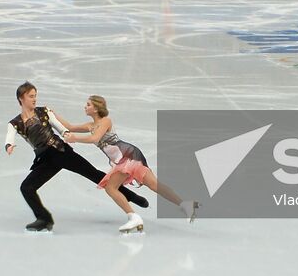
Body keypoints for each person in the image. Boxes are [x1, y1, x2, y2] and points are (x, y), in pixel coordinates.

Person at [4, 82, 149, 232]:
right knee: (27, 187)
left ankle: (132, 196)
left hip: (61, 152)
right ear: (21, 98)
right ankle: (44, 219)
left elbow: (60, 127)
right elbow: (9, 137)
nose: (35, 99)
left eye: (35, 96)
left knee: (94, 174)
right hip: (45, 159)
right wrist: (9, 145)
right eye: (31, 96)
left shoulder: (44, 112)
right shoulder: (15, 123)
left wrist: (66, 134)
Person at [60, 95, 197, 233]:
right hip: (127, 156)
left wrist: (75, 138)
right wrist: (50, 113)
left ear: (96, 109)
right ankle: (186, 205)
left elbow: (94, 138)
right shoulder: (90, 125)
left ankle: (133, 217)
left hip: (127, 155)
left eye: (88, 104)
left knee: (111, 188)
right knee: (154, 185)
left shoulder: (106, 121)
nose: (85, 106)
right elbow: (69, 127)